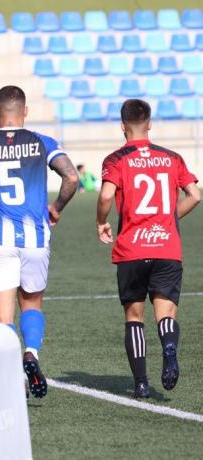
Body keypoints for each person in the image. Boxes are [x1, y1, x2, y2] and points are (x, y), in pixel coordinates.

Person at [0, 85, 78, 399]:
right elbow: (72, 177)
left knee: (2, 318)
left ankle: (11, 379)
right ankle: (31, 354)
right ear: (25, 112)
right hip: (35, 239)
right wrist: (57, 207)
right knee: (32, 303)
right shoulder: (41, 142)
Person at [96, 99, 200, 399]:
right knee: (165, 314)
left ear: (122, 126)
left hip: (132, 249)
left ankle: (141, 383)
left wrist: (101, 221)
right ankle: (169, 348)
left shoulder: (116, 159)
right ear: (150, 123)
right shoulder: (171, 157)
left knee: (134, 317)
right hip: (166, 247)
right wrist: (167, 219)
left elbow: (105, 196)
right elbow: (194, 194)